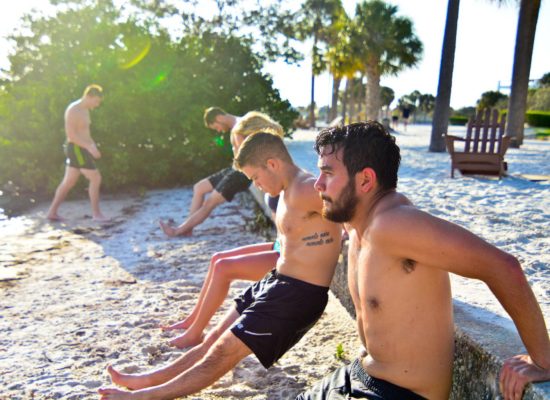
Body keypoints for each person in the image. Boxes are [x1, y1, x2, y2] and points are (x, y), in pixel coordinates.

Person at [297, 121, 550, 400]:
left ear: (366, 180)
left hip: (398, 394)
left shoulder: (395, 224)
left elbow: (503, 266)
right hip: (358, 375)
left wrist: (543, 360)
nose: (318, 184)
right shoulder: (357, 223)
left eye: (328, 173)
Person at [98, 132, 342, 399]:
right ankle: (148, 380)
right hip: (276, 281)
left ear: (272, 164)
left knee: (223, 351)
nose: (256, 185)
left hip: (298, 294)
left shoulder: (307, 188)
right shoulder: (287, 188)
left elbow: (351, 213)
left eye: (255, 178)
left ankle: (143, 397)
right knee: (214, 336)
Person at [159, 107, 283, 237]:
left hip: (241, 173)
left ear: (219, 118)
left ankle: (178, 231)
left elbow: (245, 160)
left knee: (209, 203)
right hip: (234, 169)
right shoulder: (239, 124)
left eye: (216, 126)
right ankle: (188, 228)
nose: (218, 130)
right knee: (199, 187)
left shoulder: (239, 128)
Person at [160, 241, 279, 348]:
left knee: (222, 267)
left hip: (290, 258)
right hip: (281, 245)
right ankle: (192, 320)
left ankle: (193, 335)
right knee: (217, 258)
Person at [47, 84, 109, 222]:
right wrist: (89, 147)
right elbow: (71, 135)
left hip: (83, 148)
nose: (97, 105)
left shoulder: (86, 110)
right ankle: (97, 214)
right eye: (96, 101)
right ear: (89, 96)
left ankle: (52, 212)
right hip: (76, 148)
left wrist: (93, 146)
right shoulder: (73, 110)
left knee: (68, 182)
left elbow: (85, 132)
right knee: (95, 178)